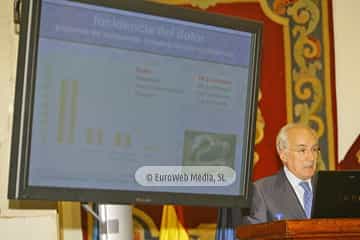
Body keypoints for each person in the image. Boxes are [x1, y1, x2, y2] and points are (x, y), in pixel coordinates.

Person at [242, 122, 320, 224]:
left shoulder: (328, 187)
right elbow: (254, 235)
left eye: (314, 149)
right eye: (302, 150)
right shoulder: (262, 191)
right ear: (283, 155)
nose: (311, 157)